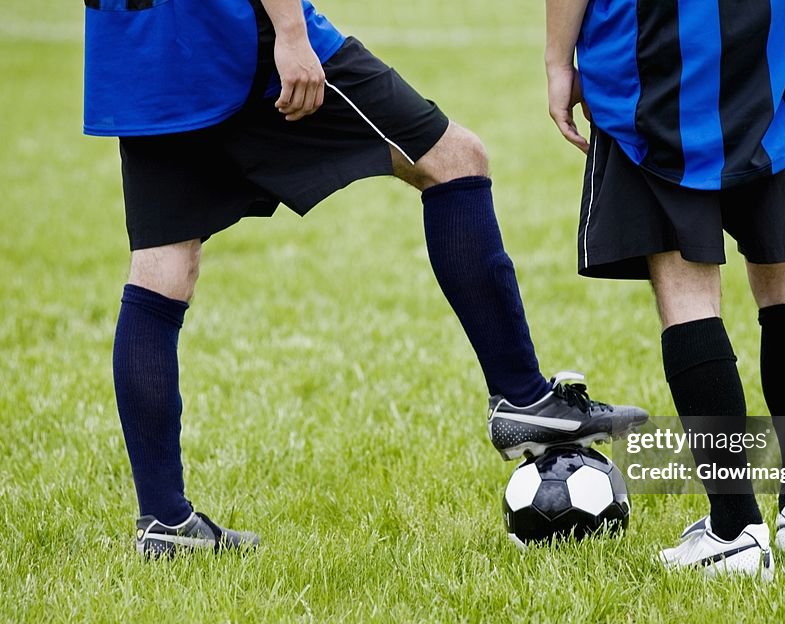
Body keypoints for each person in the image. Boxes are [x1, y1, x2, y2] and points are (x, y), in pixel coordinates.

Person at [84, 0, 648, 557]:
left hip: (135, 42)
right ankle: (524, 398)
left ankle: (164, 520)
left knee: (163, 265)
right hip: (233, 30)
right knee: (454, 159)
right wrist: (290, 30)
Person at [545, 0, 785, 580]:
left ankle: (734, 530)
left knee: (684, 282)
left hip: (655, 46)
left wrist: (559, 60)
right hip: (775, 35)